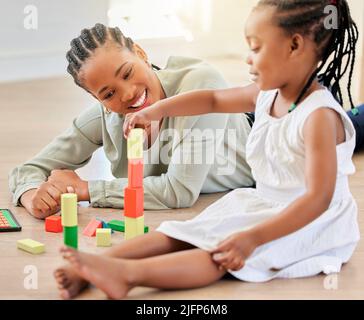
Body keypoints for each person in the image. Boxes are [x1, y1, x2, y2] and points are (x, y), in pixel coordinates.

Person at [54, 0, 360, 299]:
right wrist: (155, 111)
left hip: (309, 222)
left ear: (294, 46)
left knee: (219, 255)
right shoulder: (266, 94)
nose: (247, 59)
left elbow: (317, 200)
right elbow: (213, 99)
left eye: (255, 48)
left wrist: (253, 238)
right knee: (183, 232)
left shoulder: (319, 116)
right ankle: (94, 267)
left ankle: (127, 276)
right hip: (264, 202)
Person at [8, 23, 254, 219]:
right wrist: (33, 197)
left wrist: (86, 189)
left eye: (127, 73)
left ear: (141, 54)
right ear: (97, 99)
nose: (126, 94)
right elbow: (29, 169)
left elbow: (179, 191)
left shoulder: (200, 84)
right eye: (108, 94)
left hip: (267, 152)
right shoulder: (107, 116)